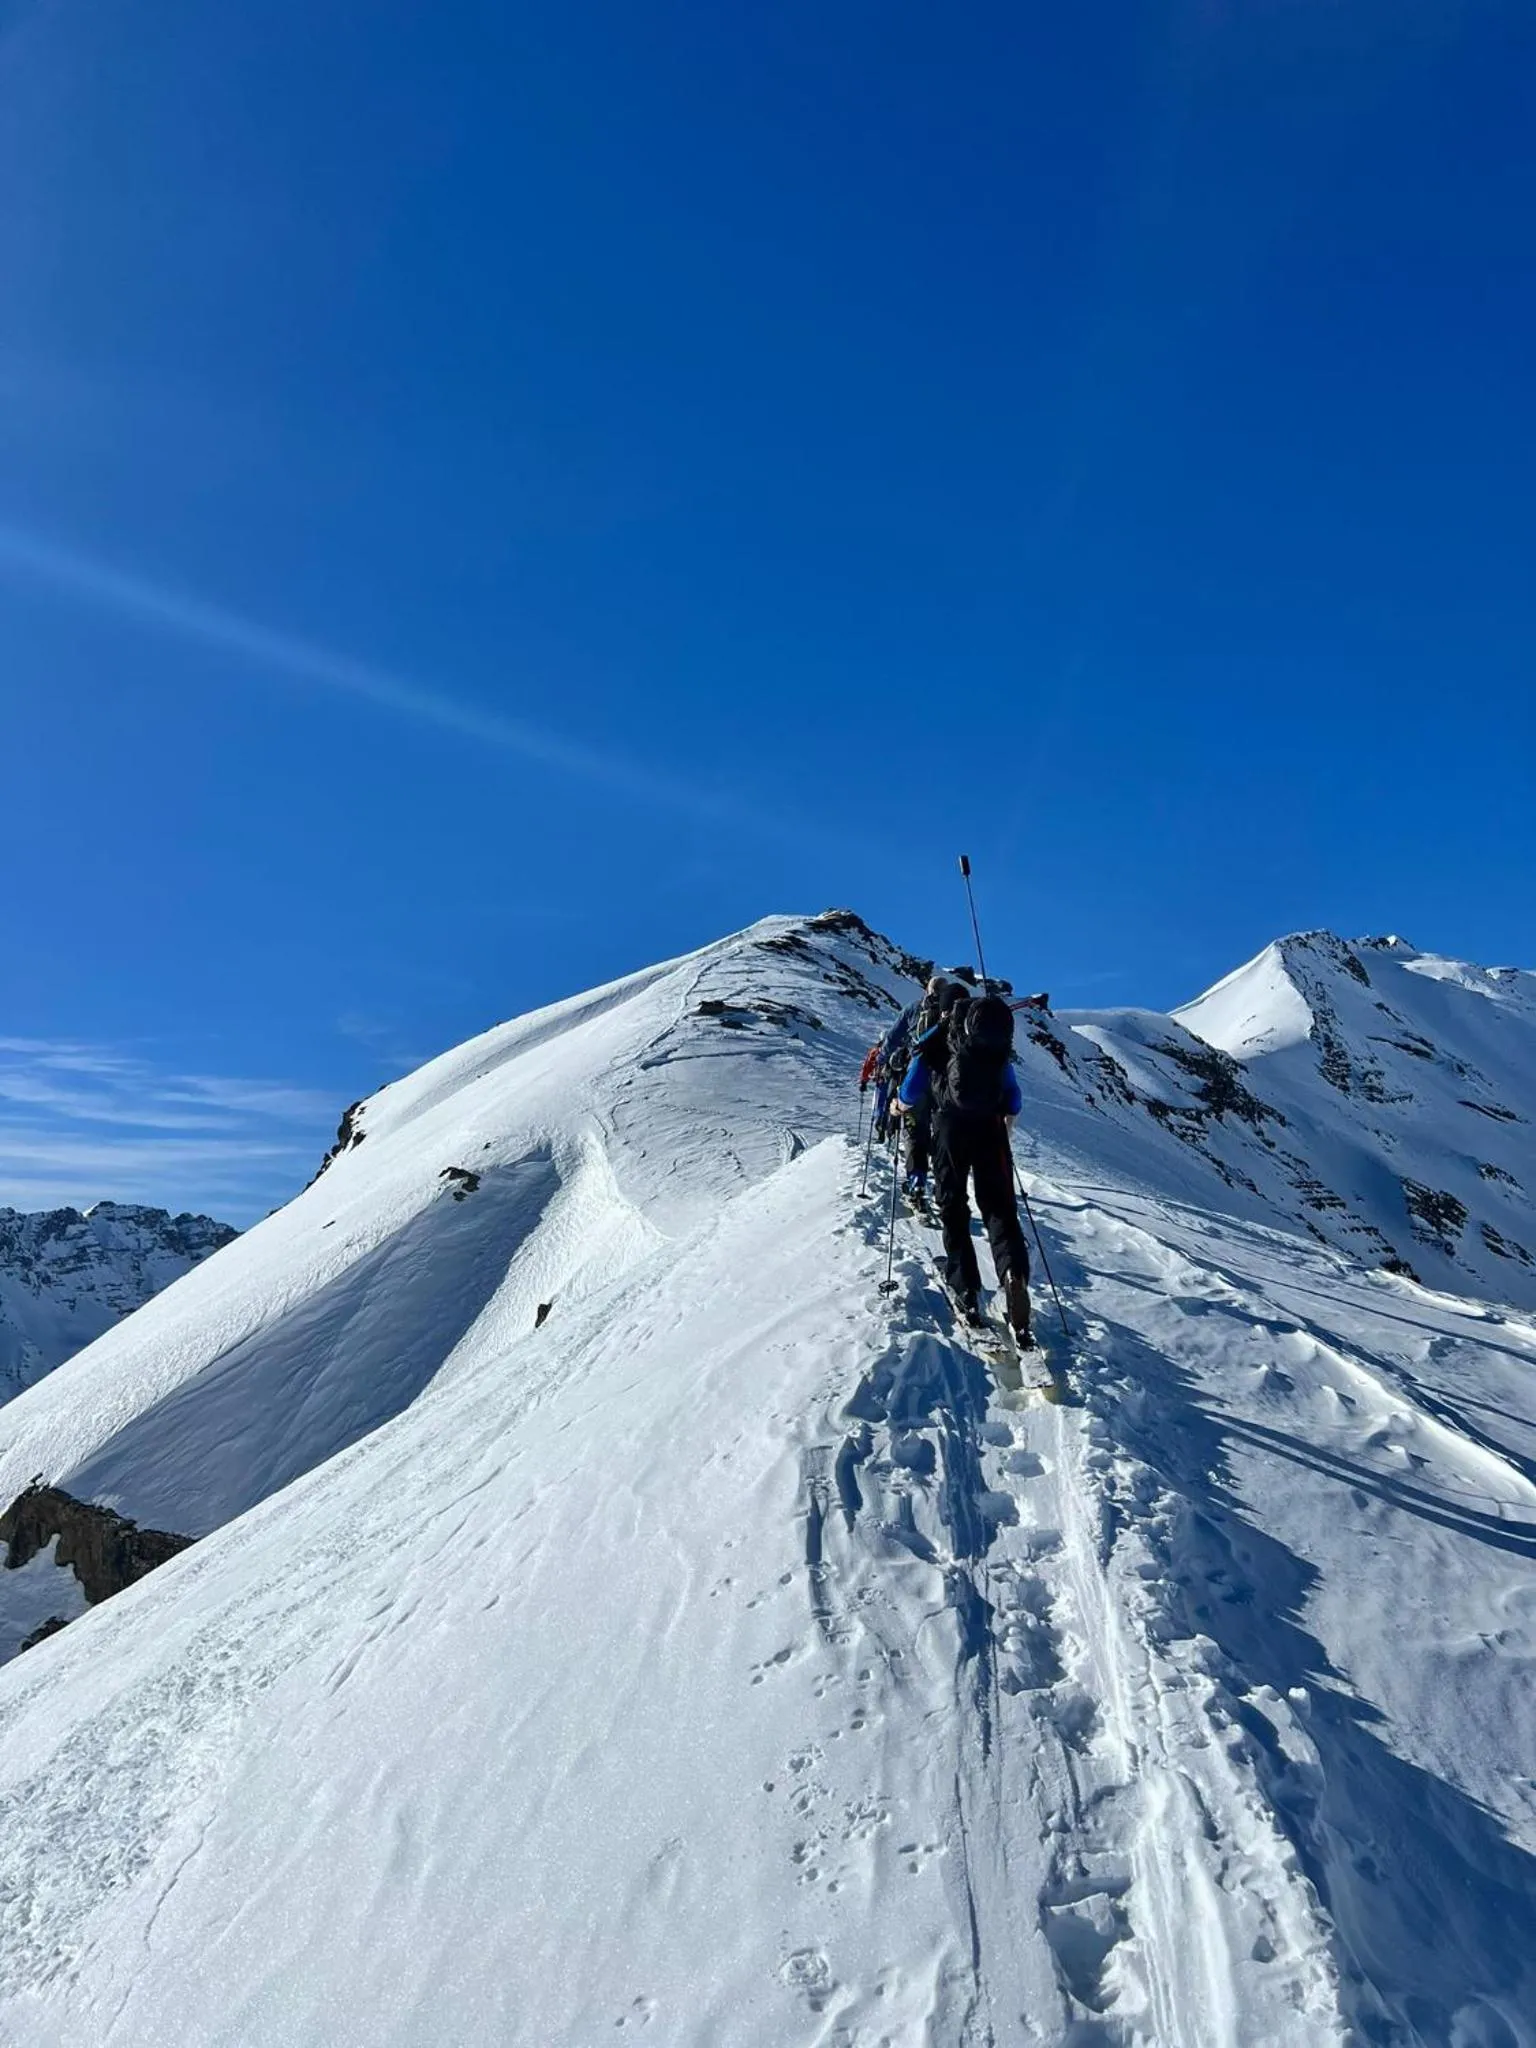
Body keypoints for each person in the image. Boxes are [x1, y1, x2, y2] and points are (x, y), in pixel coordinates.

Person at [897, 988, 1032, 1342]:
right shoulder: (990, 1043)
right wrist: (1006, 1121)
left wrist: (898, 1106)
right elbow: (1014, 1096)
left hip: (949, 1129)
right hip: (991, 1129)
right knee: (1000, 1209)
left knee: (953, 1205)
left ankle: (966, 1289)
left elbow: (911, 1091)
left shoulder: (935, 1039)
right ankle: (1012, 1275)